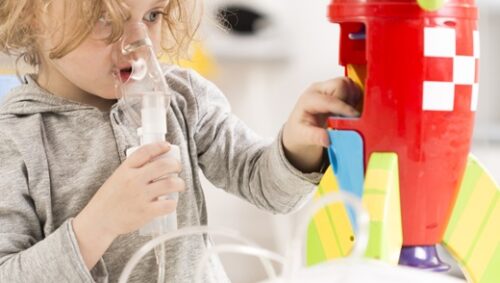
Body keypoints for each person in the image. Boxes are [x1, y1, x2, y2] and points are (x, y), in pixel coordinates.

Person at [0, 0, 361, 282]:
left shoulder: (182, 97)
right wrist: (100, 223)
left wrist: (298, 143)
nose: (137, 44)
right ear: (33, 15)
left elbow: (266, 187)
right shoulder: (15, 137)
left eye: (153, 14)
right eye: (104, 18)